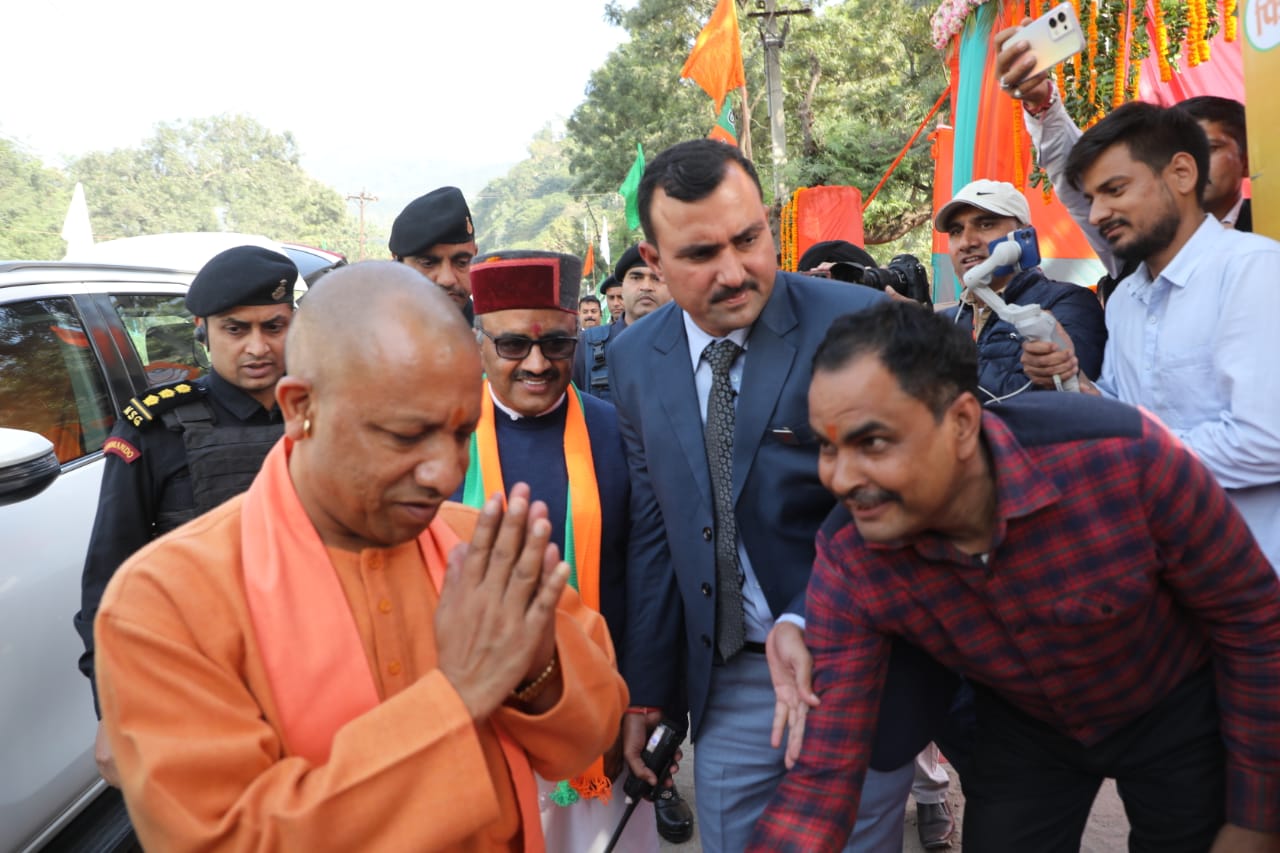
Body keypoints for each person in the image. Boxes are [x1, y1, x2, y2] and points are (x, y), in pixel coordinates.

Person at [93, 261, 629, 850]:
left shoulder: (474, 546)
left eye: (460, 434)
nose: (446, 471)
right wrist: (459, 695)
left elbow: (595, 726)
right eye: (405, 435)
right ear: (300, 409)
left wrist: (532, 671)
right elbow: (225, 837)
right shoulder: (165, 600)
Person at [752, 300, 1280, 852]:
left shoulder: (1124, 459)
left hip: (1175, 708)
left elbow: (1254, 622)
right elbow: (824, 773)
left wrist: (1257, 819)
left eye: (873, 443)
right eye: (827, 448)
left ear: (960, 422)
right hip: (1025, 728)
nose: (840, 478)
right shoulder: (851, 555)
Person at [610, 139, 951, 853]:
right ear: (652, 259)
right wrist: (647, 687)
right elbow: (655, 529)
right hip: (730, 679)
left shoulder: (859, 323)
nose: (734, 271)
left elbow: (916, 498)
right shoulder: (635, 358)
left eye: (749, 239)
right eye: (702, 253)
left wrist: (807, 613)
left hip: (860, 662)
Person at [1020, 102, 1280, 572]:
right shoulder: (1125, 300)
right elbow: (1127, 408)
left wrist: (1131, 456)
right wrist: (1074, 380)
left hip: (1253, 578)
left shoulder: (1254, 270)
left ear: (1181, 173)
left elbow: (1267, 441)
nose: (1098, 214)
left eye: (1114, 190)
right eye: (1091, 197)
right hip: (1161, 577)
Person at [456, 249, 655, 851]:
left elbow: (648, 572)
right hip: (470, 712)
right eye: (513, 345)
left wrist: (642, 702)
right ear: (479, 345)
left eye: (558, 345)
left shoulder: (617, 431)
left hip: (597, 709)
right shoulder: (440, 431)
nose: (538, 364)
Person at [76, 244, 299, 781]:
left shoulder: (330, 412)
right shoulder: (156, 429)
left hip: (314, 665)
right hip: (202, 677)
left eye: (273, 326)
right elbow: (110, 578)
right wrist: (112, 708)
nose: (258, 347)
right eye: (234, 329)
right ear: (201, 329)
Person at [994, 25, 1251, 299]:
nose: (1191, 162)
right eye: (1174, 152)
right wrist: (1041, 103)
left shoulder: (1266, 244)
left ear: (1246, 160)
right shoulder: (1133, 253)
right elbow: (1078, 174)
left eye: (1209, 147)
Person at [936, 179, 1106, 402]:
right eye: (956, 231)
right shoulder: (944, 323)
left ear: (1024, 237)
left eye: (985, 225)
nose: (966, 242)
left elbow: (1047, 401)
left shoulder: (1069, 302)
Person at [573, 244, 673, 403]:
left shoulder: (688, 342)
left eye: (656, 278)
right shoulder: (587, 344)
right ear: (623, 287)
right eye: (636, 277)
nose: (646, 287)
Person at [389, 185, 478, 319]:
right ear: (398, 264)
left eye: (462, 263)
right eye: (428, 263)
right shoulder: (365, 334)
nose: (447, 280)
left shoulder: (493, 336)